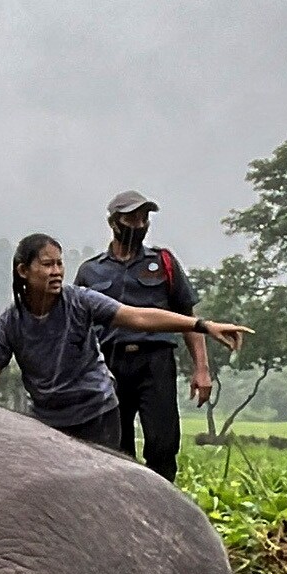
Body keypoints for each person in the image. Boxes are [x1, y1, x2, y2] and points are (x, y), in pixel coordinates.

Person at [0, 234, 249, 446]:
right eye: (47, 264)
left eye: (59, 264)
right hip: (47, 424)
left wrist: (203, 325)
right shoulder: (9, 323)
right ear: (23, 271)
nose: (56, 272)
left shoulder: (80, 301)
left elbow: (139, 317)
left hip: (97, 414)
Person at [71, 191, 212, 482]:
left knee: (163, 443)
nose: (139, 224)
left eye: (144, 217)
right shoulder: (90, 271)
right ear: (113, 222)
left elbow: (187, 317)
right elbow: (76, 327)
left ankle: (164, 506)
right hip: (108, 364)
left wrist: (202, 369)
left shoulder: (163, 263)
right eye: (131, 217)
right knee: (113, 447)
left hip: (155, 362)